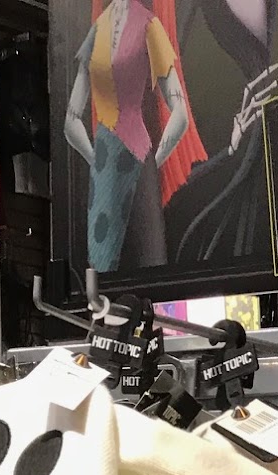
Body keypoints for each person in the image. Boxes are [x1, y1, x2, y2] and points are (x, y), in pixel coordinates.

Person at [63, 0, 202, 273]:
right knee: (103, 273)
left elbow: (180, 114)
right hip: (105, 173)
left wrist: (151, 164)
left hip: (132, 162)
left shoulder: (148, 26)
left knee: (145, 267)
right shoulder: (98, 30)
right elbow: (71, 121)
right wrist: (97, 162)